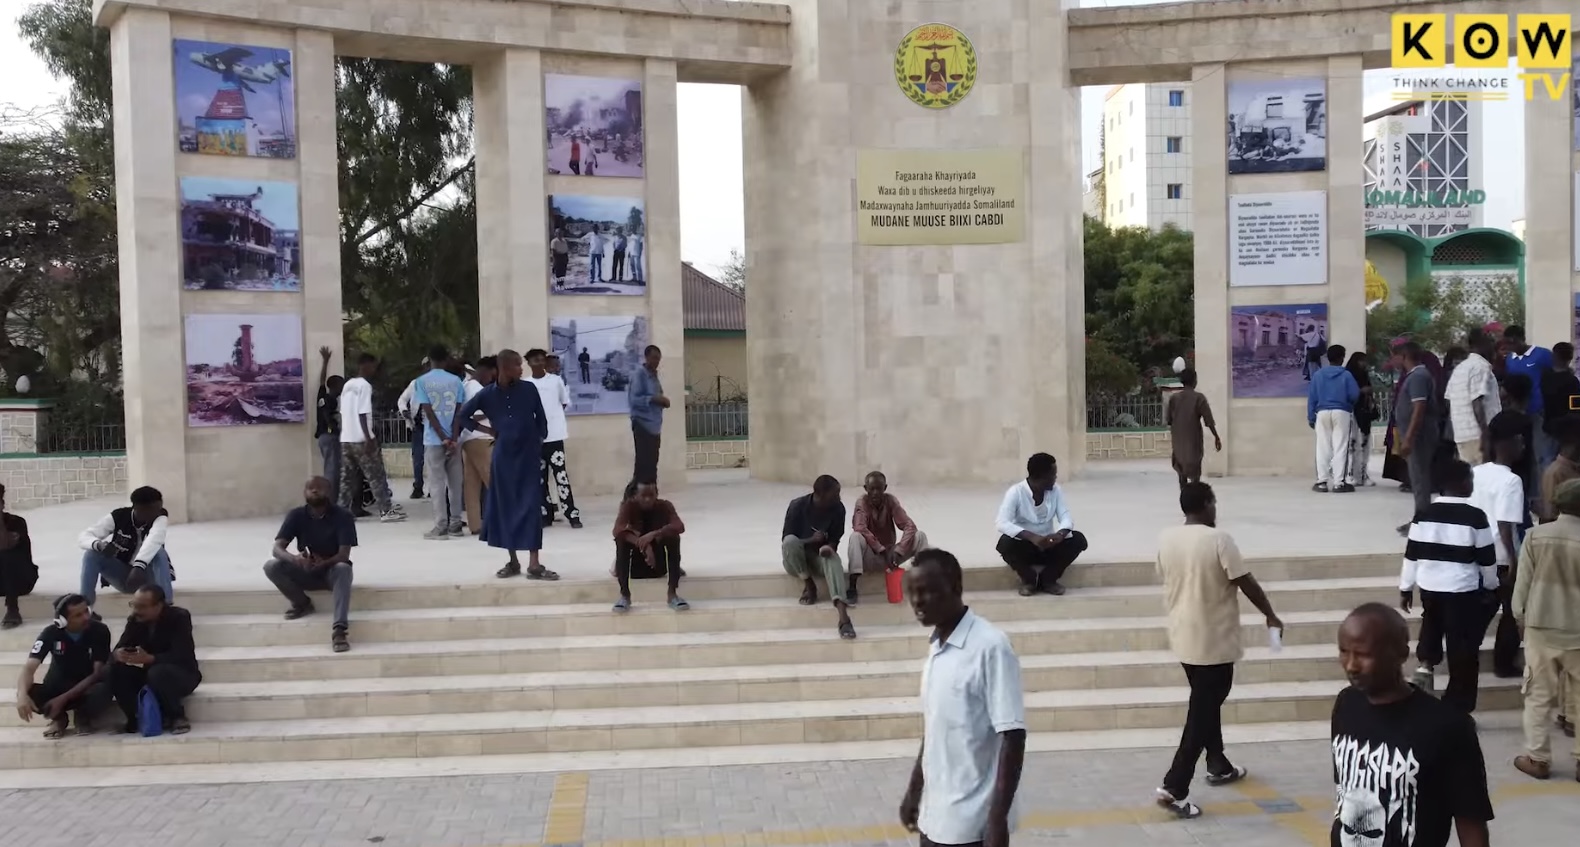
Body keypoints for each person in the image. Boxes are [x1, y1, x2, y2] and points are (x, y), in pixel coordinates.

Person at [1152, 482, 1281, 818]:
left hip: (1183, 637)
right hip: (1215, 641)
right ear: (1208, 504)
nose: (1215, 509)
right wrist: (1270, 614)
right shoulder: (1219, 539)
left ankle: (1218, 763)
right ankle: (1175, 787)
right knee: (1202, 712)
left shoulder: (1167, 538)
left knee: (1205, 704)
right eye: (1214, 503)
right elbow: (1245, 581)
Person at [1331, 603, 1493, 847]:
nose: (1351, 665)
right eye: (1344, 652)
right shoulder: (1346, 704)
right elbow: (1345, 790)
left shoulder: (1448, 727)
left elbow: (1470, 822)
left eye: (1363, 655)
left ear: (1401, 654)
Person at [898, 548, 1025, 847]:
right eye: (912, 592)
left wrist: (997, 821)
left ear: (955, 587)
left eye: (926, 591)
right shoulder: (937, 647)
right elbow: (935, 727)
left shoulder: (990, 646)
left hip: (972, 825)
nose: (917, 601)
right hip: (934, 818)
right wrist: (914, 791)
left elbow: (1013, 735)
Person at [1400, 458, 1498, 713]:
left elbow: (1412, 554)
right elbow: (1487, 559)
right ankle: (1458, 706)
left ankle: (1426, 664)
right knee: (1462, 647)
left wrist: (1406, 588)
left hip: (1430, 588)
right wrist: (1491, 586)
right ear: (1462, 483)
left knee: (1432, 622)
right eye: (1470, 479)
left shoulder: (1423, 515)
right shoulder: (1475, 516)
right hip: (1462, 591)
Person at [451, 349, 558, 580]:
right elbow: (463, 416)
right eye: (517, 365)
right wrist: (489, 430)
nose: (521, 369)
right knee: (506, 507)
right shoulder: (487, 394)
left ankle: (534, 563)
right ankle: (513, 561)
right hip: (503, 458)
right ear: (505, 367)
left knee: (531, 506)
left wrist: (538, 439)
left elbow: (541, 419)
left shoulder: (529, 389)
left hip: (528, 456)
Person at [1511, 477, 1580, 780]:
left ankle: (1538, 759)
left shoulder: (1535, 536)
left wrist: (1520, 618)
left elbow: (1522, 586)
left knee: (1538, 696)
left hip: (1541, 628)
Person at [264, 477, 359, 653]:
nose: (314, 491)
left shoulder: (343, 516)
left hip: (331, 572)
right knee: (271, 566)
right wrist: (295, 559)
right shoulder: (296, 515)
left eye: (319, 487)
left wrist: (324, 563)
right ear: (304, 492)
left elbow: (344, 554)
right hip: (306, 569)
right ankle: (302, 604)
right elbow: (277, 549)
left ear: (328, 491)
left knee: (344, 568)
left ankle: (339, 630)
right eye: (310, 488)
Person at [13, 593, 112, 738]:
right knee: (27, 691)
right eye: (78, 615)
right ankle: (59, 718)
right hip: (57, 685)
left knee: (103, 690)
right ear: (62, 621)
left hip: (86, 686)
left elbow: (97, 673)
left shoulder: (99, 631)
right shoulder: (50, 633)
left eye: (86, 611)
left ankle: (83, 716)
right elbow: (29, 668)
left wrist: (63, 699)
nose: (86, 617)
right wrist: (21, 696)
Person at [994, 453, 1089, 597]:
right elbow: (1001, 522)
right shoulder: (1016, 492)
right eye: (1053, 474)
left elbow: (1065, 516)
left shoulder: (1056, 490)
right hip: (1026, 547)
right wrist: (1032, 537)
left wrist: (1060, 534)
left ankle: (1048, 580)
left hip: (1049, 546)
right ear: (1042, 476)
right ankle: (1029, 581)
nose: (1055, 478)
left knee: (1078, 539)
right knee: (1004, 543)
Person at [110, 585, 201, 736]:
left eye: (142, 607)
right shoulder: (135, 620)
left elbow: (182, 653)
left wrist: (151, 658)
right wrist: (119, 654)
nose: (136, 610)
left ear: (158, 606)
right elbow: (120, 647)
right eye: (134, 605)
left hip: (181, 673)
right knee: (115, 670)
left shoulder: (179, 617)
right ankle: (134, 718)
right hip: (148, 673)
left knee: (158, 672)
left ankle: (177, 717)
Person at [1478, 418, 1529, 679]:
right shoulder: (1511, 480)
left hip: (1477, 553)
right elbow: (1505, 524)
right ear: (1508, 444)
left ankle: (1464, 652)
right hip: (1501, 555)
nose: (1523, 446)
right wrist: (1514, 560)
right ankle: (1503, 663)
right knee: (1512, 611)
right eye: (1520, 441)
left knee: (1482, 610)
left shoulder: (1475, 472)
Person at [782, 475, 855, 640]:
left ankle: (843, 617)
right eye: (834, 495)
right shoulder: (797, 506)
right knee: (790, 541)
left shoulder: (838, 509)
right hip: (796, 561)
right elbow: (786, 541)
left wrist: (829, 548)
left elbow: (835, 539)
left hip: (818, 559)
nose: (838, 498)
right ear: (819, 495)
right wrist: (811, 540)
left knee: (833, 560)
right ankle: (809, 585)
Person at [78, 486, 175, 606]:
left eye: (159, 508)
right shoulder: (119, 516)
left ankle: (166, 606)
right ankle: (85, 607)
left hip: (149, 578)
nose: (157, 512)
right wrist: (99, 545)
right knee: (91, 554)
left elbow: (154, 540)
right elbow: (84, 536)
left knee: (158, 551)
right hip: (124, 577)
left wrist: (139, 566)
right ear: (137, 508)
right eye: (152, 509)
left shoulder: (161, 517)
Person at [845, 471, 929, 605]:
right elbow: (860, 528)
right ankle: (852, 586)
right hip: (871, 556)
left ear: (885, 488)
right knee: (855, 537)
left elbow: (909, 525)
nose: (875, 493)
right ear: (866, 489)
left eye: (879, 489)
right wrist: (880, 549)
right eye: (872, 489)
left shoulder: (891, 501)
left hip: (891, 557)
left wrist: (899, 551)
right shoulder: (862, 503)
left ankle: (925, 583)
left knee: (920, 536)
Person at [339, 353, 406, 522]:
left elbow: (343, 412)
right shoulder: (365, 386)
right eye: (374, 366)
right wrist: (368, 437)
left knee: (347, 478)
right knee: (376, 475)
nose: (375, 370)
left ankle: (341, 512)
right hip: (361, 438)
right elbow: (362, 413)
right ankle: (386, 510)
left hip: (346, 438)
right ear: (366, 365)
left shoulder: (347, 385)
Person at [526, 348, 582, 529]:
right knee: (540, 478)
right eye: (535, 360)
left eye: (541, 359)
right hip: (535, 439)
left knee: (561, 476)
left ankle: (571, 513)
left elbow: (564, 403)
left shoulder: (556, 381)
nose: (539, 363)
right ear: (528, 363)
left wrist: (553, 420)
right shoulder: (525, 384)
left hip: (555, 437)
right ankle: (545, 513)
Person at [612, 480, 687, 612]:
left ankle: (672, 593)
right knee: (621, 539)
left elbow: (679, 526)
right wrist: (644, 545)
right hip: (634, 568)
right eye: (643, 496)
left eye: (651, 495)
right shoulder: (628, 507)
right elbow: (617, 530)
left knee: (673, 537)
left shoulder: (665, 506)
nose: (647, 499)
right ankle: (625, 595)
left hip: (658, 566)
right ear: (635, 496)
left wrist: (654, 534)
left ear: (656, 494)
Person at [415, 346, 466, 540]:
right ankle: (456, 524)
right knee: (455, 484)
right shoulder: (456, 381)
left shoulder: (422, 381)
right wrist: (453, 437)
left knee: (437, 484)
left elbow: (428, 412)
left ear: (429, 359)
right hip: (454, 440)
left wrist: (443, 437)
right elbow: (459, 412)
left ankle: (441, 526)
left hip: (434, 439)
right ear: (446, 360)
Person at [1444, 327, 1500, 465]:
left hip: (1462, 436)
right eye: (1490, 341)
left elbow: (1449, 401)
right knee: (1485, 475)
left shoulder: (1460, 368)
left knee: (1471, 476)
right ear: (1480, 344)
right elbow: (1477, 402)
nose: (1494, 346)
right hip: (1479, 437)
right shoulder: (1481, 366)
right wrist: (1485, 436)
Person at [1307, 345, 1360, 493]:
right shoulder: (1346, 375)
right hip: (1341, 412)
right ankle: (1339, 483)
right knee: (1340, 446)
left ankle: (1321, 482)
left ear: (1328, 358)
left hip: (1322, 412)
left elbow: (1312, 398)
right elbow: (1355, 394)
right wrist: (1348, 404)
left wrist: (1311, 417)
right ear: (1342, 358)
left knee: (1322, 447)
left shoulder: (1318, 375)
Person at [1503, 325, 1554, 468]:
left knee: (1541, 452)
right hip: (1518, 412)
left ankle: (1544, 482)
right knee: (1523, 453)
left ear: (1521, 339)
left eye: (1512, 342)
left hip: (1539, 410)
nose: (1510, 346)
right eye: (1507, 343)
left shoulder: (1543, 355)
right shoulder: (1510, 359)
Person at [1165, 368, 1220, 488]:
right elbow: (1209, 420)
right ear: (1194, 380)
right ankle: (1194, 495)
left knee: (1181, 473)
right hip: (1193, 440)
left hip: (1178, 441)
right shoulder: (1199, 398)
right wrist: (1216, 436)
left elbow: (1169, 420)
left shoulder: (1174, 399)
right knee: (1195, 473)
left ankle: (1184, 495)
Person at [461, 356, 497, 536]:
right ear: (485, 370)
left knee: (472, 484)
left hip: (468, 439)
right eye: (492, 374)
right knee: (495, 481)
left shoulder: (466, 385)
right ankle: (508, 520)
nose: (493, 378)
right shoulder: (476, 388)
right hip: (481, 438)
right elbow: (473, 414)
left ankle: (475, 524)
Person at [629, 344, 669, 484]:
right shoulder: (639, 375)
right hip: (642, 424)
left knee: (652, 465)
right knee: (643, 465)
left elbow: (658, 396)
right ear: (646, 357)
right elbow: (634, 400)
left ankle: (651, 493)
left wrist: (663, 401)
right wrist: (653, 399)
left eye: (658, 359)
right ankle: (635, 494)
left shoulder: (654, 376)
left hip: (655, 426)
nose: (656, 362)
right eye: (654, 358)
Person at [0, 483, 37, 629]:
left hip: (21, 581)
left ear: (2, 504)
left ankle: (12, 609)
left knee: (6, 555)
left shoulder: (16, 523)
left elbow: (4, 544)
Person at [1540, 341, 1580, 467]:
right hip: (1567, 427)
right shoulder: (1571, 381)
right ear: (1570, 358)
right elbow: (1575, 406)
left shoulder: (1545, 376)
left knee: (1548, 459)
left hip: (1549, 424)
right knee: (1567, 460)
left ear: (1554, 356)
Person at [397, 357, 432, 500]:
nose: (428, 368)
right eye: (426, 366)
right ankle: (418, 487)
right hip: (417, 426)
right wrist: (404, 411)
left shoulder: (438, 383)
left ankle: (433, 488)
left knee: (432, 459)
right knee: (418, 458)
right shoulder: (415, 384)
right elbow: (402, 400)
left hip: (432, 426)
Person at [313, 346, 345, 497]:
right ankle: (330, 501)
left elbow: (321, 381)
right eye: (341, 385)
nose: (343, 388)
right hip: (329, 436)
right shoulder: (330, 400)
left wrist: (325, 361)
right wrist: (334, 429)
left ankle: (330, 499)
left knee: (330, 469)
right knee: (333, 471)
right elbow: (326, 415)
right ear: (335, 386)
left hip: (322, 437)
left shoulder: (322, 395)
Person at [1345, 351, 1378, 487]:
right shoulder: (1348, 375)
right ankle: (1351, 473)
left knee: (1364, 444)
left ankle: (1363, 474)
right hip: (1352, 412)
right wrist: (1360, 391)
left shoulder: (1364, 375)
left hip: (1364, 413)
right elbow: (1347, 392)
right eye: (1361, 361)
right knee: (1352, 444)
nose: (1364, 364)